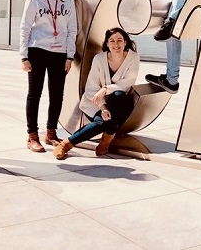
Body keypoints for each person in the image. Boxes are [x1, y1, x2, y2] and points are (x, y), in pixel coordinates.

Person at [54, 28, 139, 160]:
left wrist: (105, 89)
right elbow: (91, 89)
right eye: (112, 41)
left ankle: (97, 140)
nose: (116, 45)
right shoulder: (99, 59)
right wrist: (103, 107)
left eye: (119, 40)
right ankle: (68, 144)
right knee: (102, 121)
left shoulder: (133, 57)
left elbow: (128, 82)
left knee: (118, 96)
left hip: (119, 102)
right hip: (95, 103)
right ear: (107, 44)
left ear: (126, 42)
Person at [19, 0, 78, 152]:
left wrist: (70, 56)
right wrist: (23, 56)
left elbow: (72, 29)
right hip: (37, 51)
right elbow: (25, 28)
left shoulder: (68, 0)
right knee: (34, 94)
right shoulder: (34, 0)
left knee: (57, 95)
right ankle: (32, 136)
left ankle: (51, 133)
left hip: (60, 53)